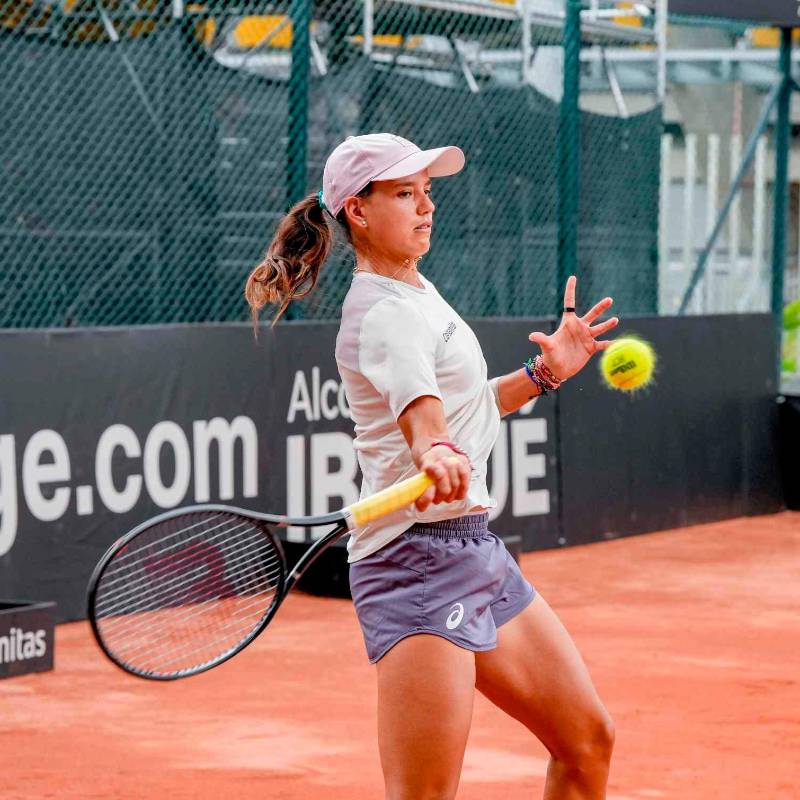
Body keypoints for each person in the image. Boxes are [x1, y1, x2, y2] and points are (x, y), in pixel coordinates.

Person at [246, 133, 619, 800]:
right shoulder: (383, 313)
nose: (425, 207)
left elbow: (462, 405)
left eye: (427, 192)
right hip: (417, 566)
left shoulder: (413, 288)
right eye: (403, 193)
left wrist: (542, 374)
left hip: (473, 549)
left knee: (587, 742)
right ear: (357, 212)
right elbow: (425, 417)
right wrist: (435, 450)